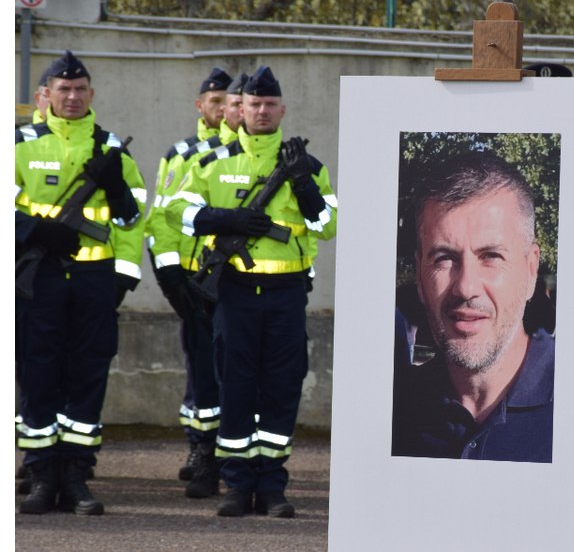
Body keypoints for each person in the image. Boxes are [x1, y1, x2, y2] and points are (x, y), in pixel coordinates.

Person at [168, 66, 337, 518]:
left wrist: (303, 184)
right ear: (238, 109)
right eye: (253, 104)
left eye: (269, 105)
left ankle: (273, 485)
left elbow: (328, 227)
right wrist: (228, 220)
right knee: (237, 386)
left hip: (286, 294)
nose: (261, 111)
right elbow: (176, 213)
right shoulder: (212, 162)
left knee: (281, 389)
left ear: (282, 109)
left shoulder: (307, 166)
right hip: (236, 293)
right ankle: (239, 485)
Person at [15, 50, 147, 515]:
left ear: (91, 94)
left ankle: (76, 472)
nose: (72, 97)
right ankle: (40, 472)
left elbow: (133, 219)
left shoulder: (112, 148)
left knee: (88, 373)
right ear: (44, 95)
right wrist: (34, 230)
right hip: (39, 277)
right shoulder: (20, 144)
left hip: (94, 279)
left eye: (80, 90)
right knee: (38, 371)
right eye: (63, 90)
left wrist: (114, 187)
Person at [391, 151, 554, 463]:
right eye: (444, 258)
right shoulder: (394, 412)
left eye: (491, 256)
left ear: (531, 269)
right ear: (420, 276)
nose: (466, 286)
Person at [147, 67, 233, 491]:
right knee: (201, 370)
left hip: (237, 282)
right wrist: (169, 275)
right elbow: (161, 219)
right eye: (215, 100)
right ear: (201, 106)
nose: (223, 108)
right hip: (196, 282)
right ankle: (202, 448)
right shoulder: (183, 154)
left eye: (229, 100)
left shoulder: (250, 153)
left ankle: (232, 456)